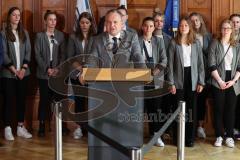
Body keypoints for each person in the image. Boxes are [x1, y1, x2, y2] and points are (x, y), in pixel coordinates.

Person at [84, 9, 146, 160]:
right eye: (109, 22)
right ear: (105, 24)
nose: (112, 25)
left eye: (115, 22)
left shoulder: (132, 37)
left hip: (126, 93)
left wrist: (143, 71)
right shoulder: (97, 40)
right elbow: (92, 59)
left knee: (125, 129)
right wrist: (86, 71)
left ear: (122, 23)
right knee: (106, 130)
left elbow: (137, 56)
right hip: (104, 93)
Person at [167, 17, 205, 147]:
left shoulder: (196, 43)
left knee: (191, 110)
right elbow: (170, 65)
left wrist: (201, 82)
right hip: (178, 80)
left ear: (190, 28)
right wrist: (171, 83)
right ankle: (178, 139)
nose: (183, 28)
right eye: (181, 25)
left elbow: (200, 64)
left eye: (186, 26)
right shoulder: (173, 42)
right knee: (178, 109)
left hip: (192, 79)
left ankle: (190, 138)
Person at [1, 7, 32, 141]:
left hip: (23, 73)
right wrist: (14, 70)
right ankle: (7, 128)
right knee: (8, 100)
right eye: (14, 15)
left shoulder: (24, 33)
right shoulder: (3, 34)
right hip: (8, 73)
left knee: (21, 100)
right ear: (9, 17)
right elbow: (3, 54)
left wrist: (23, 69)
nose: (17, 17)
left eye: (19, 15)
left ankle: (20, 127)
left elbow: (28, 51)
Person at [208, 19, 240, 148]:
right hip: (218, 80)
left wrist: (234, 81)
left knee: (230, 111)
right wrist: (220, 81)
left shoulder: (237, 45)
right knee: (218, 110)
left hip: (233, 80)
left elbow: (239, 66)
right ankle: (219, 136)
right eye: (223, 28)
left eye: (228, 28)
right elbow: (211, 64)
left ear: (232, 30)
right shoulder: (214, 43)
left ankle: (230, 137)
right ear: (220, 30)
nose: (226, 30)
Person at [35, 10, 66, 137]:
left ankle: (62, 126)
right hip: (44, 74)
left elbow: (63, 54)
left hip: (57, 74)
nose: (53, 22)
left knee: (59, 101)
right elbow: (37, 55)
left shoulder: (61, 36)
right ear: (45, 21)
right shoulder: (39, 36)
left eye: (54, 20)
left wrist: (57, 69)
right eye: (50, 19)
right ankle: (42, 126)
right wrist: (47, 68)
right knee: (44, 100)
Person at [138, 17, 167, 147]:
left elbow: (164, 60)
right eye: (146, 26)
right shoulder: (136, 41)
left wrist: (152, 74)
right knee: (139, 109)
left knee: (155, 109)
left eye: (151, 26)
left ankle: (156, 135)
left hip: (155, 80)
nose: (148, 28)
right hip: (139, 80)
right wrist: (144, 75)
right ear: (142, 27)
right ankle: (136, 137)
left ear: (154, 27)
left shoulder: (159, 41)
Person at [67, 11, 95, 139]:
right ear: (79, 23)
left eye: (87, 23)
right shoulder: (73, 37)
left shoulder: (95, 37)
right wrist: (81, 71)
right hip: (76, 73)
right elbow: (70, 57)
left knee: (92, 102)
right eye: (82, 22)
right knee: (79, 101)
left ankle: (90, 127)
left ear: (90, 24)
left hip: (91, 73)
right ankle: (79, 127)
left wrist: (87, 71)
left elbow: (95, 56)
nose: (84, 25)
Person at [189, 12, 212, 139]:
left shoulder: (208, 36)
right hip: (191, 73)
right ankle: (191, 127)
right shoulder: (187, 35)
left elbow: (211, 55)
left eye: (197, 20)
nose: (195, 22)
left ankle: (200, 127)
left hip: (205, 74)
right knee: (192, 101)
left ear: (201, 21)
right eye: (192, 21)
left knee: (202, 101)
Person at [229, 13, 240, 140]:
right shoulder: (226, 36)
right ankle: (231, 128)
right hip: (230, 74)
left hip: (239, 73)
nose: (236, 24)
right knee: (232, 104)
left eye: (238, 22)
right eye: (233, 22)